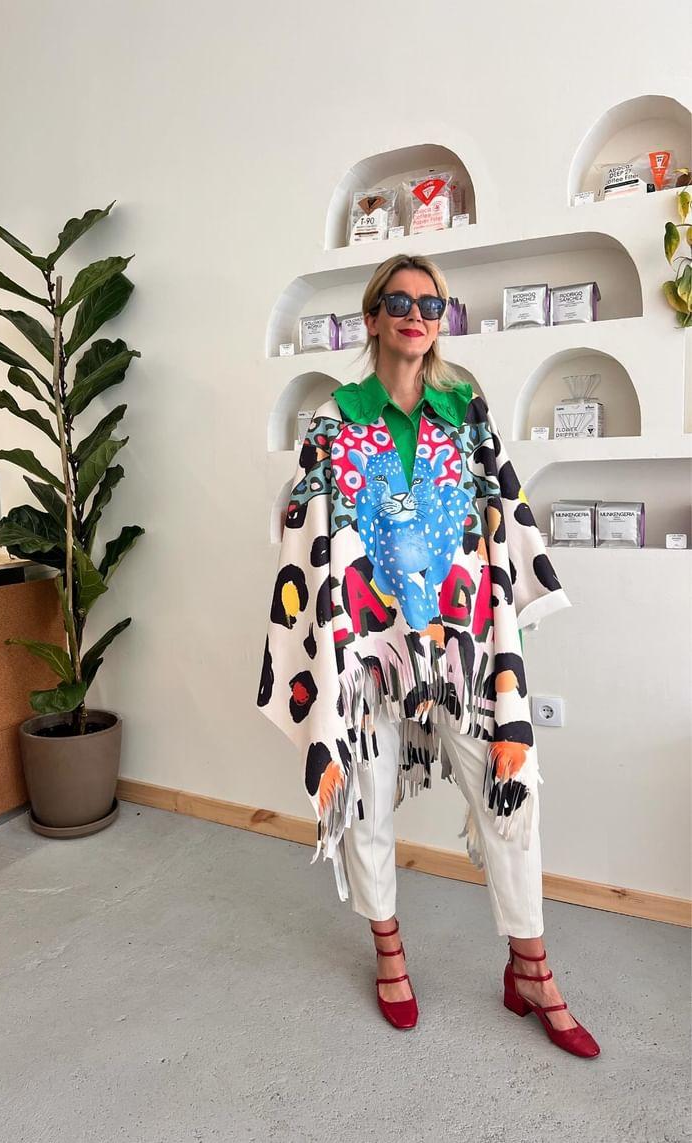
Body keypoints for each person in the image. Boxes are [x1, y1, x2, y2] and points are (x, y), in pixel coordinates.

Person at [257, 254, 600, 1058]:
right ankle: (388, 952)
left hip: (462, 647)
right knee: (368, 802)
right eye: (399, 301)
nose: (416, 314)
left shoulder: (464, 411)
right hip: (367, 648)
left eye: (431, 304)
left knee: (509, 796)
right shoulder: (335, 418)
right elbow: (303, 530)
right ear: (372, 316)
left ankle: (531, 969)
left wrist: (505, 620)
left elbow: (501, 511)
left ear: (441, 319)